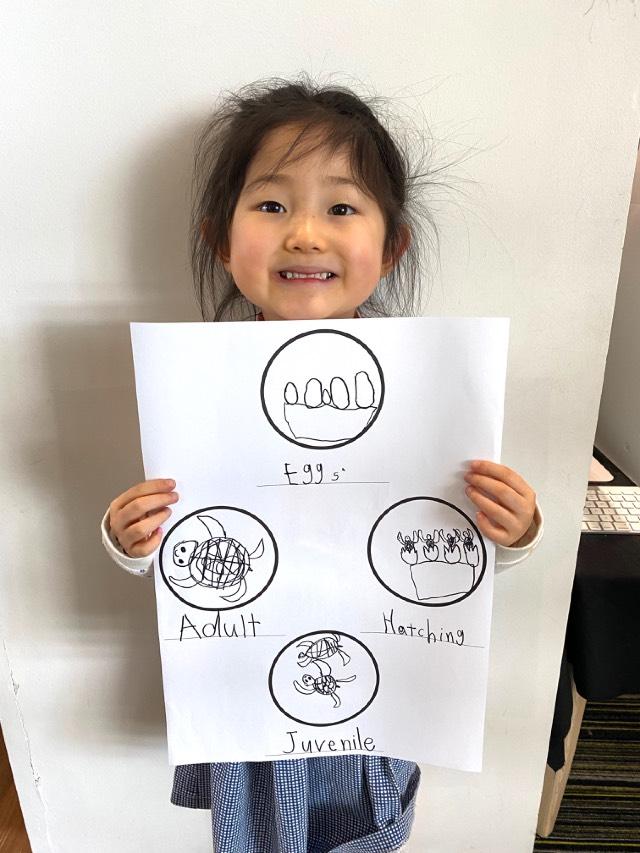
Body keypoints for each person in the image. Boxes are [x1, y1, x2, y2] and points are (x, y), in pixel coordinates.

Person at [101, 75, 544, 853]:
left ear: (392, 245)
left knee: (368, 822)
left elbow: (440, 553)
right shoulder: (195, 393)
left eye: (341, 208)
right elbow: (189, 554)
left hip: (377, 687)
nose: (305, 234)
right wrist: (129, 538)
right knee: (253, 833)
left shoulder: (429, 395)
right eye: (272, 205)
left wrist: (511, 534)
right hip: (245, 688)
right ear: (220, 239)